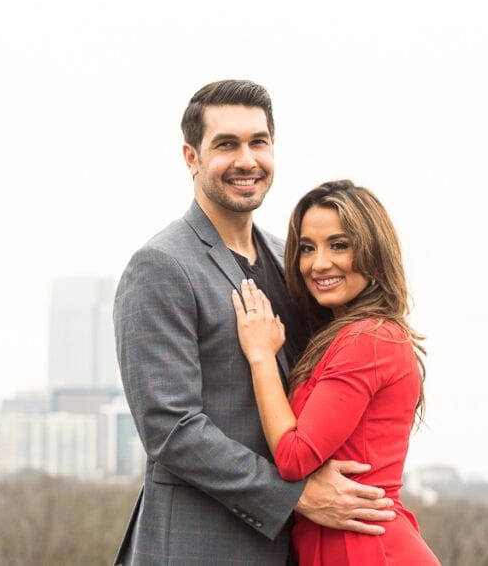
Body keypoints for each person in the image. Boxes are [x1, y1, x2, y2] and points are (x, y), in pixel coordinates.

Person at [114, 81, 397, 565]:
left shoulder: (295, 259)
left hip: (301, 548)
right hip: (198, 547)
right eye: (226, 144)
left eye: (258, 142)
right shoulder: (161, 265)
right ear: (191, 157)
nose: (247, 160)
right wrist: (296, 496)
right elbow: (171, 429)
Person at [232, 180, 440, 565]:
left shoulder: (368, 340)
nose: (318, 263)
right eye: (307, 248)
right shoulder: (348, 335)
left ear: (374, 252)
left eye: (339, 245)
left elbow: (294, 458)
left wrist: (261, 357)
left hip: (365, 551)